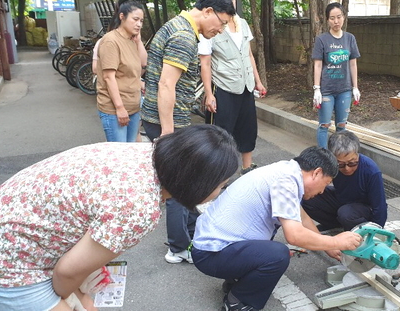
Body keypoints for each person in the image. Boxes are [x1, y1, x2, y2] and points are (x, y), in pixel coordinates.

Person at [0, 125, 240, 310]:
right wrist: (79, 301)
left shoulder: (145, 153)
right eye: (221, 184)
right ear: (196, 182)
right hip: (4, 263)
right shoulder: (139, 207)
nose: (221, 191)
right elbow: (66, 272)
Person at [192, 146, 363, 310]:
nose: (322, 191)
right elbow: (294, 236)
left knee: (268, 247)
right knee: (277, 255)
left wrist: (329, 247)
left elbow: (302, 217)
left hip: (213, 245)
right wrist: (335, 240)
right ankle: (239, 303)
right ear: (316, 173)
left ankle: (236, 281)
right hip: (211, 254)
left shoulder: (286, 171)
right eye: (326, 184)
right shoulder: (286, 182)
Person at [140, 0, 236, 264]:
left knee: (185, 183)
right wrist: (169, 134)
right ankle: (179, 247)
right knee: (177, 188)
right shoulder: (184, 36)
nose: (221, 30)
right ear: (208, 12)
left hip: (163, 119)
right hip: (168, 123)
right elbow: (166, 85)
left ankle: (192, 234)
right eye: (222, 23)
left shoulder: (176, 26)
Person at [199, 0, 267, 175]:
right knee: (220, 133)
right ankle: (216, 172)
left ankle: (246, 167)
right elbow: (205, 63)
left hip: (246, 85)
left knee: (248, 128)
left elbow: (249, 54)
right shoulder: (209, 27)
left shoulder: (242, 23)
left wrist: (257, 81)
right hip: (223, 86)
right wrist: (208, 93)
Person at [302, 130, 388, 231]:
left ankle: (360, 230)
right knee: (307, 195)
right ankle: (334, 225)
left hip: (363, 209)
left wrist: (377, 232)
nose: (347, 168)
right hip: (342, 201)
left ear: (357, 154)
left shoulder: (371, 170)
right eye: (340, 165)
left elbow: (380, 206)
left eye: (352, 163)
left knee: (345, 213)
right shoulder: (329, 166)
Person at [96, 1, 147, 142]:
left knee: (130, 151)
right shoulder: (111, 41)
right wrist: (120, 108)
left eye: (141, 21)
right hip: (115, 109)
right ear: (122, 16)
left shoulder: (131, 40)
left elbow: (143, 63)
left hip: (133, 106)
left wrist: (139, 41)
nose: (139, 24)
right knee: (119, 154)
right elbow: (108, 77)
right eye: (135, 19)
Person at [312, 2, 360, 149]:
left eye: (339, 17)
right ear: (327, 20)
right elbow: (318, 65)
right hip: (326, 90)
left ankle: (340, 156)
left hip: (344, 90)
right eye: (332, 18)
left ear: (344, 17)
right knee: (324, 125)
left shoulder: (350, 38)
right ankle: (323, 156)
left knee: (341, 126)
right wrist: (317, 89)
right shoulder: (322, 39)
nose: (336, 21)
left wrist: (355, 87)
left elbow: (353, 64)